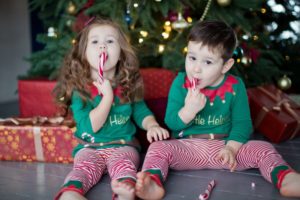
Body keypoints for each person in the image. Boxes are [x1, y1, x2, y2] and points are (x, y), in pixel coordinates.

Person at [135, 20, 300, 199]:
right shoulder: (180, 83)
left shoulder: (235, 86)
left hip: (224, 149)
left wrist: (231, 148)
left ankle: (285, 178)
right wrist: (189, 110)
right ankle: (152, 182)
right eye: (192, 58)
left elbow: (242, 124)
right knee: (158, 148)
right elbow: (172, 123)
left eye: (207, 62)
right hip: (188, 148)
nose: (196, 69)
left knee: (263, 148)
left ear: (226, 66)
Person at [53, 17, 169, 200]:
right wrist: (107, 97)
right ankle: (71, 193)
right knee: (82, 169)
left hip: (122, 146)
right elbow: (91, 127)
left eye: (109, 41)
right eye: (95, 41)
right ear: (83, 53)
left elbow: (141, 112)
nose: (102, 46)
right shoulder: (80, 90)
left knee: (125, 166)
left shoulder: (128, 85)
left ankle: (125, 192)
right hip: (89, 147)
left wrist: (152, 125)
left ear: (121, 52)